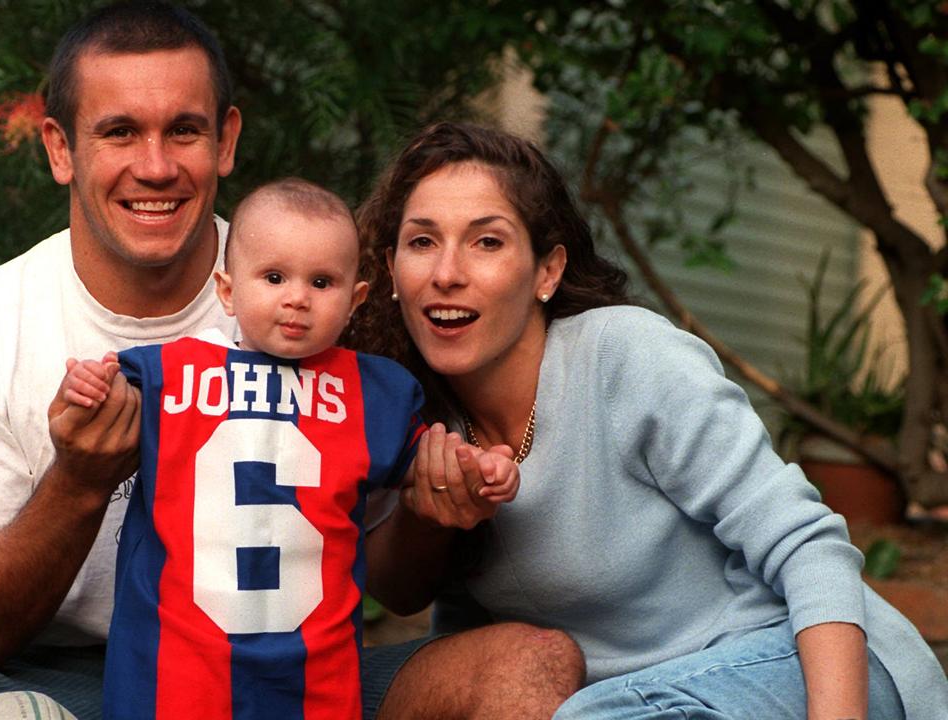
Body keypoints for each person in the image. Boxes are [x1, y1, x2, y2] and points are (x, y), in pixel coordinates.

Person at [0, 4, 583, 718]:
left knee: (529, 661)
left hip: (297, 682)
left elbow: (397, 589)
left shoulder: (318, 297)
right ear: (60, 148)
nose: (155, 166)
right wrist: (79, 483)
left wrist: (434, 511)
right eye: (119, 131)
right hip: (42, 684)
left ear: (225, 139)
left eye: (183, 130)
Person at [353, 120, 948, 719]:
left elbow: (808, 546)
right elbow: (413, 600)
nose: (446, 272)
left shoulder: (625, 357)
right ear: (391, 270)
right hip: (639, 701)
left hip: (801, 661)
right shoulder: (417, 415)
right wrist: (428, 514)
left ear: (547, 272)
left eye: (487, 242)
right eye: (422, 241)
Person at [55, 178, 519, 719]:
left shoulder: (374, 392)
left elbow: (429, 460)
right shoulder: (167, 373)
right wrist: (89, 390)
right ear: (227, 290)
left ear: (355, 299)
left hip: (314, 676)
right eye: (274, 277)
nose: (296, 297)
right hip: (174, 671)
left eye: (321, 282)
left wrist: (479, 465)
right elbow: (108, 406)